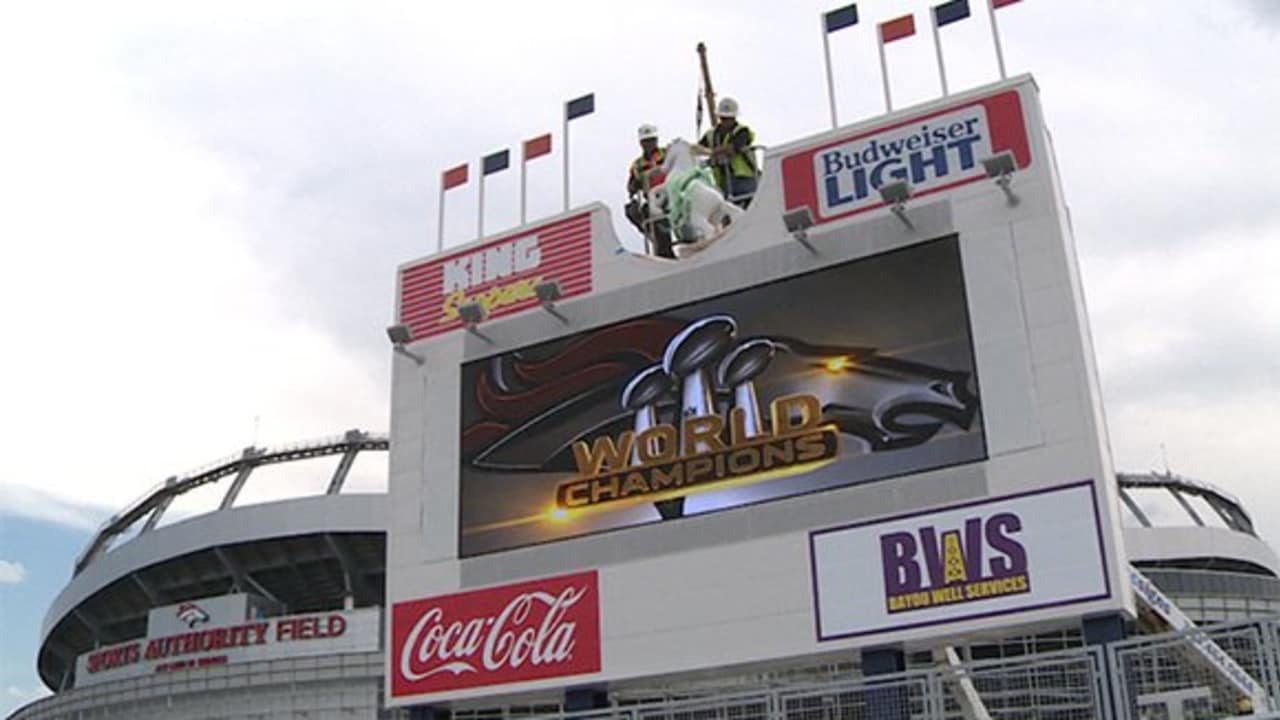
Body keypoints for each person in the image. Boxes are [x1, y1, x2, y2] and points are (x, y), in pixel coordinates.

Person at [698, 97, 760, 208]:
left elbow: (732, 149)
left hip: (745, 179)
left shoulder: (742, 131)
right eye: (723, 118)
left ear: (734, 117)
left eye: (728, 118)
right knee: (730, 213)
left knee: (753, 207)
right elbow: (698, 149)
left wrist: (712, 152)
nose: (725, 121)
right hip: (724, 181)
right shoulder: (711, 134)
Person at [624, 124, 675, 258]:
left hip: (672, 192)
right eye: (646, 141)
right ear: (641, 143)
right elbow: (631, 185)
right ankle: (664, 250)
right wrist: (634, 185)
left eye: (652, 140)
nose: (650, 144)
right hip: (653, 199)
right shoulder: (637, 165)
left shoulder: (666, 153)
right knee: (645, 212)